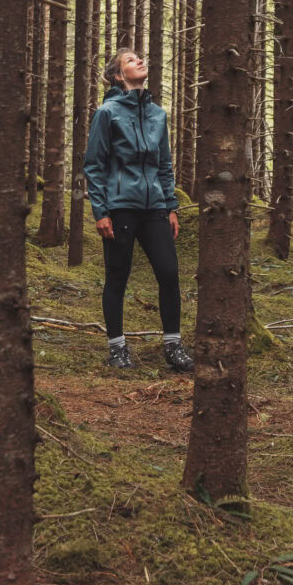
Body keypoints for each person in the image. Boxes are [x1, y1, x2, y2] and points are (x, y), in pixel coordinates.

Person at [83, 49, 194, 373]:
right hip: (119, 208)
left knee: (169, 274)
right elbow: (94, 164)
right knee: (117, 277)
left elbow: (164, 165)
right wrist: (100, 211)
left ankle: (173, 345)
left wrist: (171, 206)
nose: (141, 61)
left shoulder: (158, 115)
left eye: (141, 58)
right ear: (119, 75)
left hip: (155, 208)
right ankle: (117, 348)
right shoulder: (108, 112)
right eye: (131, 60)